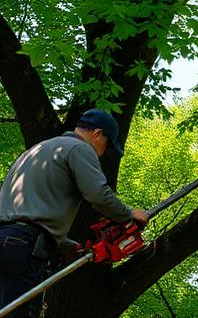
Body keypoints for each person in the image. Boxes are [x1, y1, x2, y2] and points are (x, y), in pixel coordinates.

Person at [0, 109, 148, 317]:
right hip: (23, 249)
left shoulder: (36, 151)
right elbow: (98, 194)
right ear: (98, 134)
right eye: (107, 145)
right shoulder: (80, 148)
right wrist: (129, 216)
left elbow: (23, 214)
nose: (104, 153)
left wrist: (61, 242)